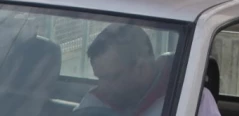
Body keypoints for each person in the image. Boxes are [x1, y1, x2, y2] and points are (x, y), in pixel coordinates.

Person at [78, 23, 219, 115]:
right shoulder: (94, 102)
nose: (102, 87)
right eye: (99, 78)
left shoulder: (193, 101)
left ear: (141, 69)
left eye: (112, 78)